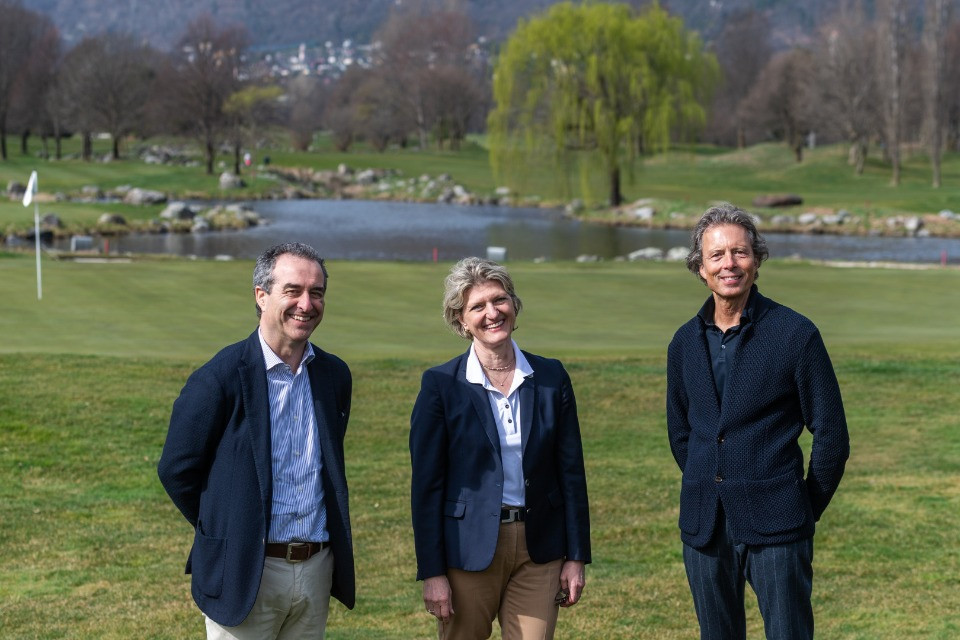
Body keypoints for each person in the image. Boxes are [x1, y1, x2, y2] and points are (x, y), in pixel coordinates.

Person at [666, 203, 850, 640]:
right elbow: (681, 434)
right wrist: (710, 481)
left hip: (779, 525)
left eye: (740, 252)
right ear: (700, 268)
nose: (730, 264)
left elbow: (832, 437)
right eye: (717, 255)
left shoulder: (795, 334)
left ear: (757, 259)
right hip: (704, 526)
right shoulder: (683, 343)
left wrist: (804, 507)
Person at [158, 242, 355, 639]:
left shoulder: (334, 375)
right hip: (247, 572)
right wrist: (229, 526)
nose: (306, 303)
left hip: (316, 570)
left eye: (316, 292)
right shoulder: (220, 377)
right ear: (261, 296)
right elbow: (177, 470)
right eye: (293, 290)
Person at [409, 257, 591, 640]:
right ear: (461, 320)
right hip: (468, 550)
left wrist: (576, 556)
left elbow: (571, 472)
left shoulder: (551, 377)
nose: (492, 313)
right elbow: (426, 487)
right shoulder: (440, 385)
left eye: (499, 300)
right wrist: (433, 572)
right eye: (478, 306)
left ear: (513, 304)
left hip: (539, 547)